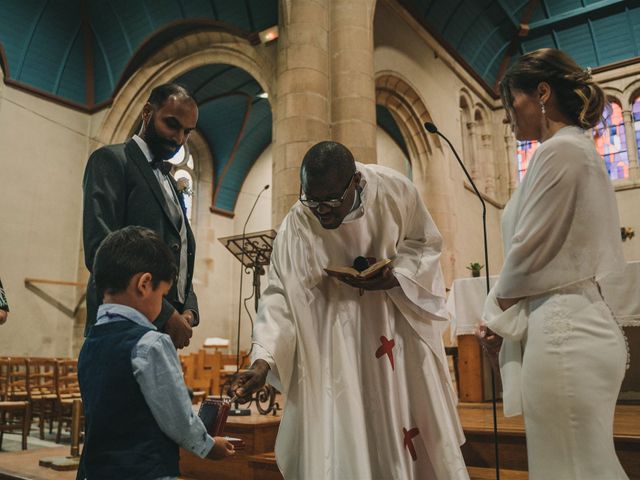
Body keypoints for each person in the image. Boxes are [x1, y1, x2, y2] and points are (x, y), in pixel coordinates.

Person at [231, 141, 469, 479]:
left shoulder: (394, 191)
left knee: (403, 429)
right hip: (335, 351)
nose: (320, 210)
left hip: (394, 335)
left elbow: (425, 244)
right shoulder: (298, 223)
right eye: (311, 199)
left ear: (355, 182)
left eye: (329, 201)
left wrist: (397, 277)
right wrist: (263, 358)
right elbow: (279, 295)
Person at [477, 48, 629, 480]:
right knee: (581, 464)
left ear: (542, 92)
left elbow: (530, 250)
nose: (509, 116)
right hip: (576, 324)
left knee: (573, 468)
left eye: (513, 102)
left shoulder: (558, 151)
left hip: (564, 336)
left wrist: (493, 314)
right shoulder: (577, 149)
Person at [78, 226, 235, 480]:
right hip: (147, 471)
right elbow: (178, 419)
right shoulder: (151, 343)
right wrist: (208, 446)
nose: (162, 304)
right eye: (162, 295)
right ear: (144, 284)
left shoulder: (91, 343)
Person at [82, 83, 198, 348]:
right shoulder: (111, 161)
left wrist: (188, 310)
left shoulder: (170, 181)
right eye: (172, 124)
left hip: (165, 330)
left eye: (187, 132)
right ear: (147, 112)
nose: (179, 139)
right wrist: (166, 313)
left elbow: (179, 252)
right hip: (120, 329)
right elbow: (101, 250)